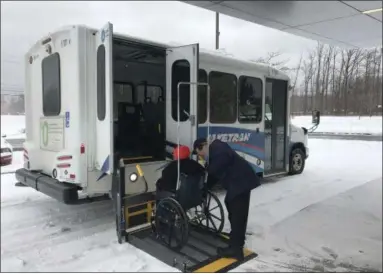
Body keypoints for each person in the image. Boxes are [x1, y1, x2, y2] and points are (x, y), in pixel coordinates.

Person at [193, 138, 261, 261]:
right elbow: (214, 175)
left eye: (199, 153)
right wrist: (205, 188)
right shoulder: (216, 150)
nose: (201, 156)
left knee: (238, 215)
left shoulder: (218, 150)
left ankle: (236, 250)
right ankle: (236, 240)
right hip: (239, 182)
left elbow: (217, 167)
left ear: (201, 147)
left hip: (241, 182)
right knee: (232, 207)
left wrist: (206, 170)